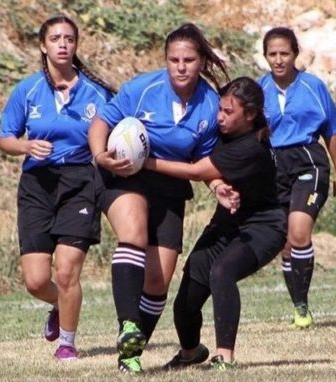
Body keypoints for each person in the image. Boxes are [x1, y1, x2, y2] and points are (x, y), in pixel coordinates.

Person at [87, 23, 230, 374]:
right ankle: (128, 325)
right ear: (165, 60)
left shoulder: (210, 104)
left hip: (170, 185)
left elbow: (203, 163)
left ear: (201, 62)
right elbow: (101, 124)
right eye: (173, 59)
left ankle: (130, 356)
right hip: (124, 174)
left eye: (189, 60)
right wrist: (100, 155)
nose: (181, 67)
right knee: (133, 230)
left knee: (158, 280)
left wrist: (217, 187)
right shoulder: (143, 88)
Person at [145, 77, 286, 370]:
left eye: (228, 112)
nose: (219, 117)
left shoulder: (251, 146)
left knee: (222, 271)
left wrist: (144, 161)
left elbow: (196, 171)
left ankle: (225, 356)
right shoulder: (224, 132)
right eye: (219, 109)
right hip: (226, 223)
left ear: (249, 115)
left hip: (263, 227)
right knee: (185, 302)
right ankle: (190, 353)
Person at [0, 15, 114, 361]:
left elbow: (117, 132)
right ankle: (59, 305)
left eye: (69, 39)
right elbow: (5, 139)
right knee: (36, 281)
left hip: (79, 181)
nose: (63, 44)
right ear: (43, 45)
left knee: (66, 271)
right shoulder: (28, 90)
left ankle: (67, 343)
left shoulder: (97, 93)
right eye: (55, 38)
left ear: (76, 45)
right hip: (37, 184)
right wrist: (26, 147)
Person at [258, 27, 336, 328]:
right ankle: (300, 305)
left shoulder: (313, 86)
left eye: (285, 53)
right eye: (273, 54)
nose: (279, 59)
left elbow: (331, 131)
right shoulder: (259, 90)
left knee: (299, 233)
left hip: (308, 161)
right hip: (273, 167)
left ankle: (302, 309)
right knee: (285, 243)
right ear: (265, 56)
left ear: (295, 54)